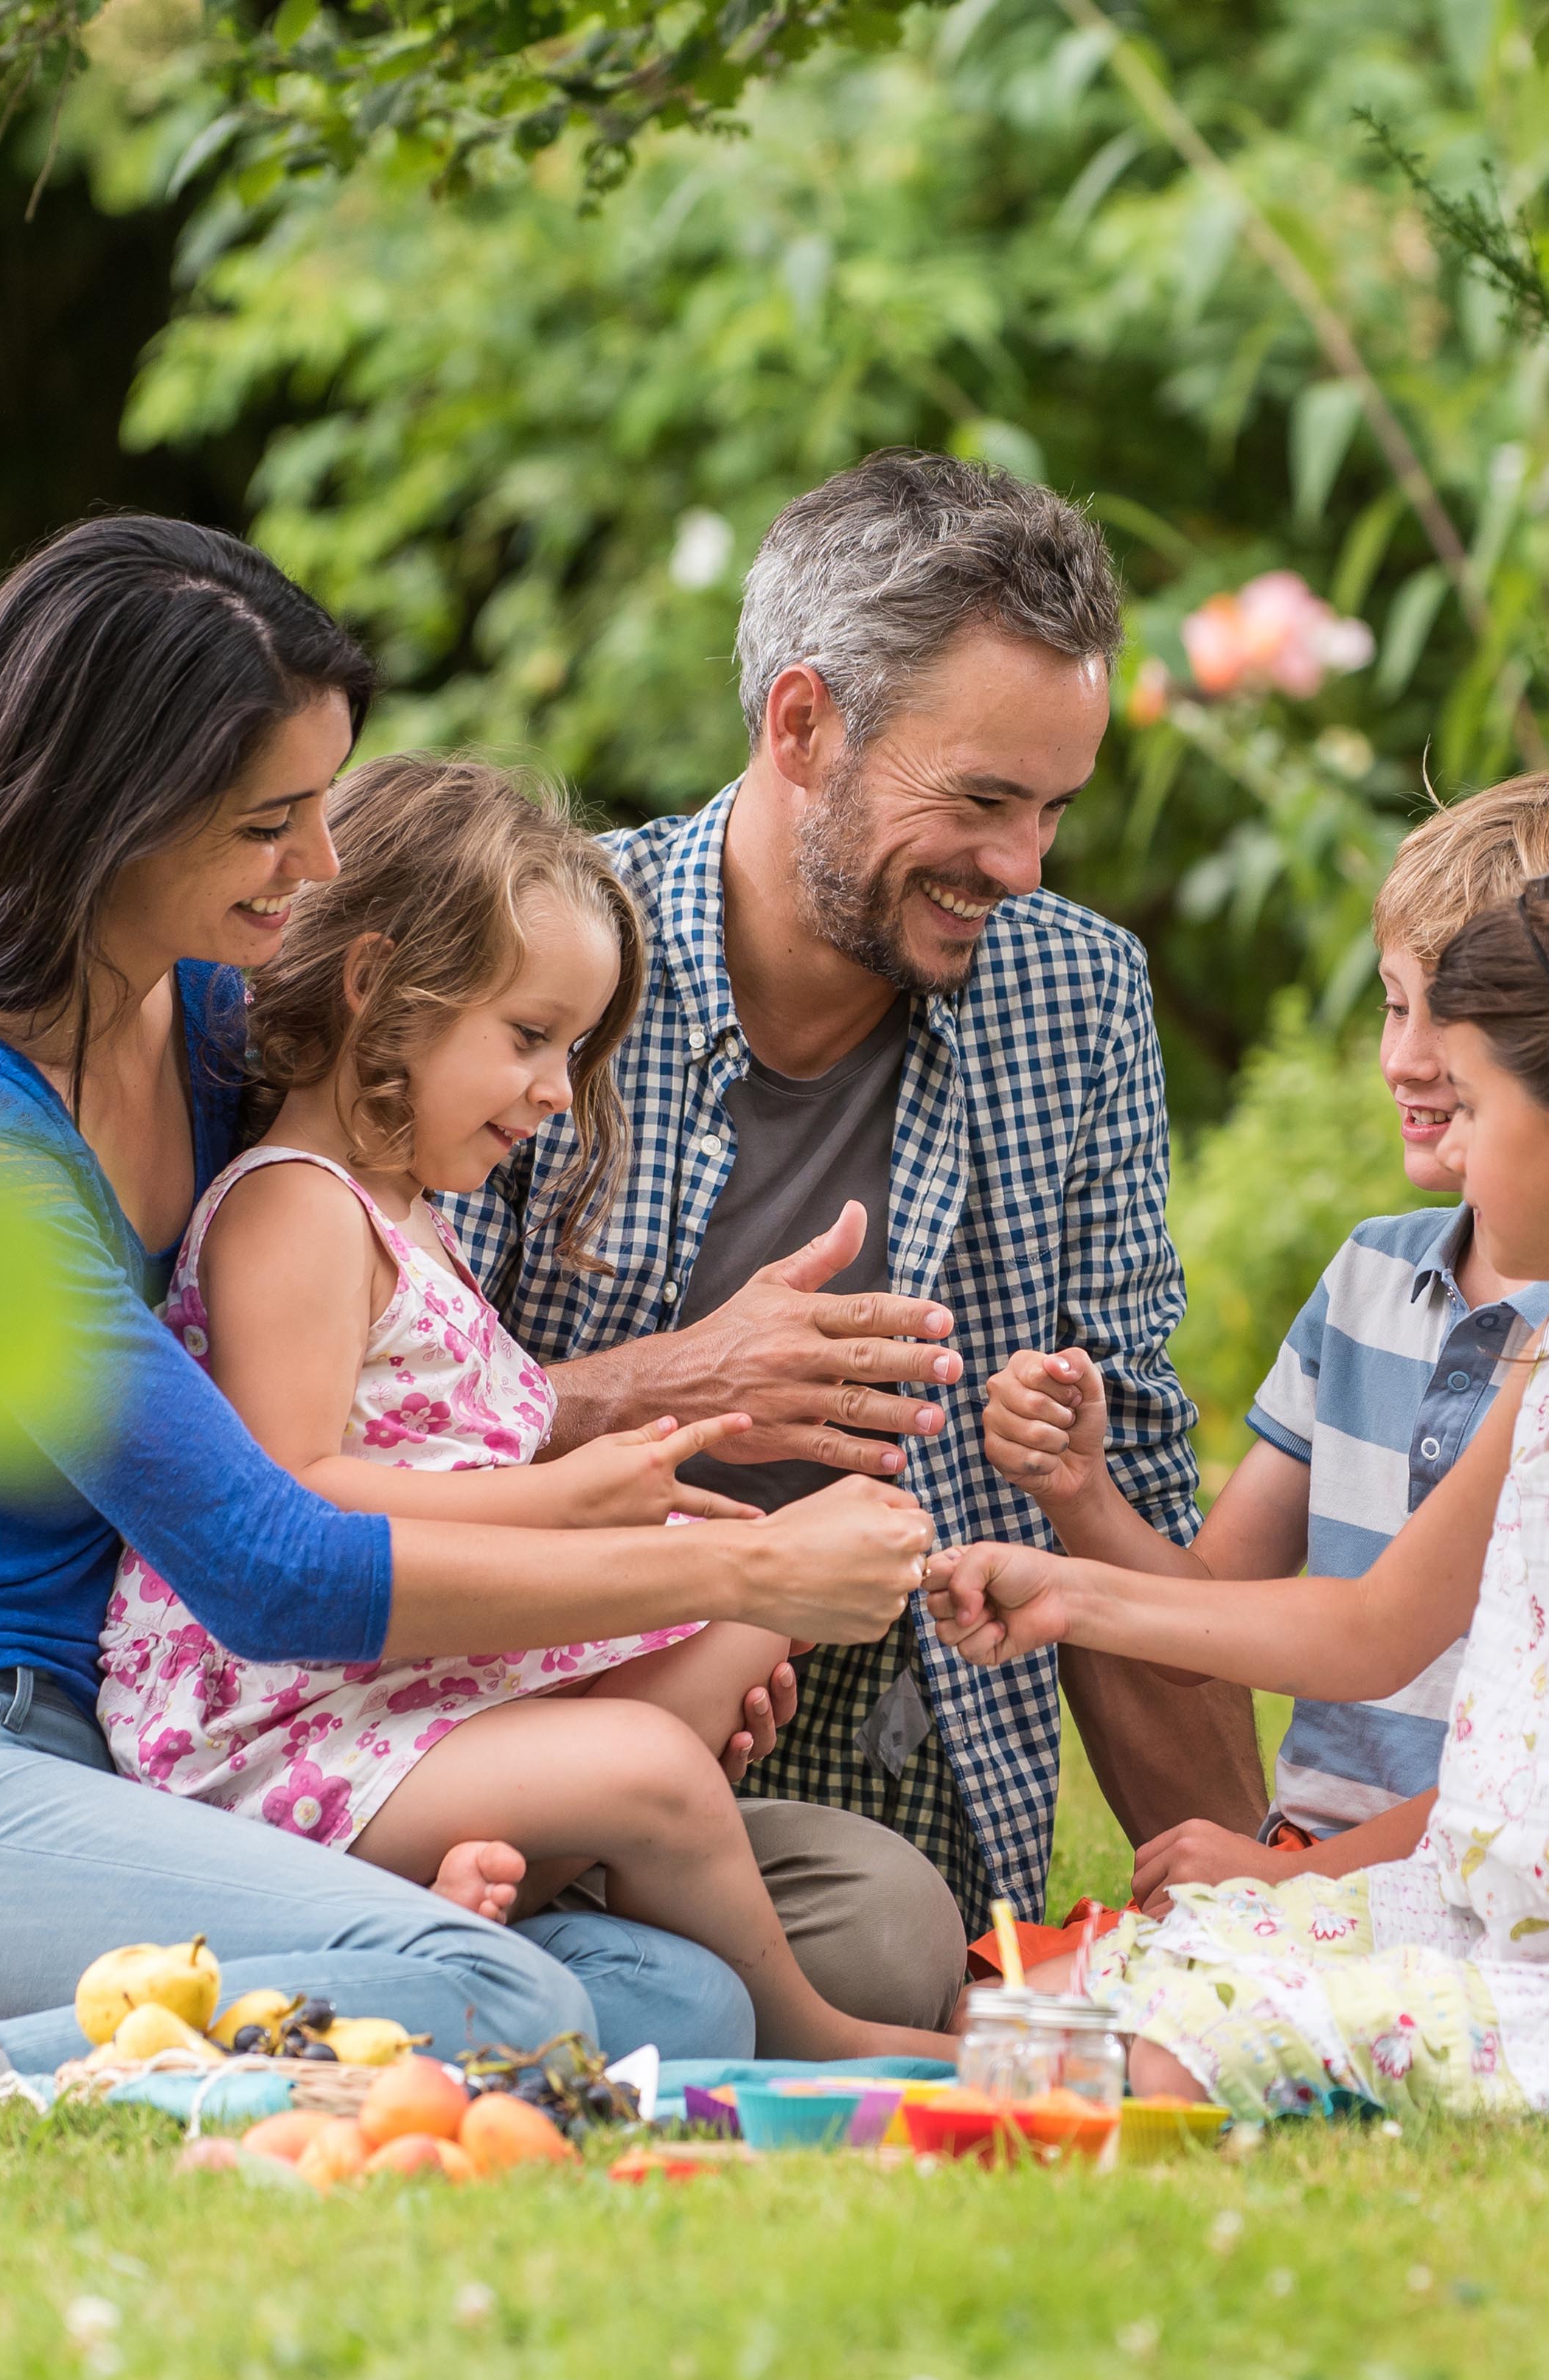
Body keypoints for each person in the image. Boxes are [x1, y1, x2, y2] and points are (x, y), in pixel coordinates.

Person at [0, 515, 935, 2077]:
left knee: (691, 2001)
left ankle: (283, 1964)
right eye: (269, 821)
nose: (320, 864)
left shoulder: (212, 1030)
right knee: (507, 2004)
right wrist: (733, 1575)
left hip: (141, 1769)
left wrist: (675, 1418)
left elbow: (385, 1398)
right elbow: (270, 1560)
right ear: (107, 815)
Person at [925, 857, 1549, 2148]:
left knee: (1123, 2068)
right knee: (1035, 2008)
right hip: (1491, 1913)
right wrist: (1070, 1591)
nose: (1452, 1138)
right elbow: (1371, 1626)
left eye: (1479, 1103)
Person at [446, 451, 1261, 1949]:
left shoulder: (1076, 999)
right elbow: (364, 1447)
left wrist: (1253, 1912)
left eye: (1055, 810)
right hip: (522, 1724)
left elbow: (1125, 1486)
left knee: (885, 1939)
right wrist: (674, 1386)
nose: (1020, 866)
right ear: (803, 725)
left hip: (892, 1763)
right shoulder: (530, 971)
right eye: (981, 799)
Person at [96, 754, 937, 2061]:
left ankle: (484, 1895)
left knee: (744, 1615)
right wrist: (565, 1498)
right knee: (654, 1765)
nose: (557, 1089)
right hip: (277, 1732)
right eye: (530, 1037)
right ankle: (809, 2029)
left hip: (396, 1696)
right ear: (379, 988)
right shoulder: (294, 1210)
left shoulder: (412, 1222)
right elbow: (292, 1496)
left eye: (576, 1048)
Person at [978, 774, 1549, 1899]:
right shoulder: (1370, 1280)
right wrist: (1081, 1494)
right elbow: (1213, 1620)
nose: (1406, 1060)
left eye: (1452, 1023)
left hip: (1488, 1877)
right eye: (1393, 1005)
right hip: (1319, 1862)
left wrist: (1303, 1880)